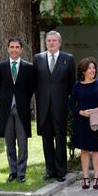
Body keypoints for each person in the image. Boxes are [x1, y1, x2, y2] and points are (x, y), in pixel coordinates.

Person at [34, 30, 76, 182]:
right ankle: (50, 169)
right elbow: (35, 83)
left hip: (61, 107)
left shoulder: (68, 59)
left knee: (60, 140)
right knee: (46, 140)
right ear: (46, 43)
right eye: (48, 41)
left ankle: (61, 171)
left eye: (54, 40)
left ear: (59, 43)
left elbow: (72, 84)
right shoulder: (38, 59)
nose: (51, 43)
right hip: (43, 108)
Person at [0, 38, 35, 183]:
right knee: (10, 143)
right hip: (6, 110)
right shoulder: (1, 66)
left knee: (22, 143)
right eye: (11, 47)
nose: (14, 49)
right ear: (7, 48)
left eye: (17, 47)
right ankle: (12, 171)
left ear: (21, 49)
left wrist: (22, 101)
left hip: (22, 110)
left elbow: (31, 87)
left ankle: (21, 173)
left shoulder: (28, 67)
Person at [69, 58, 98, 190]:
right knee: (84, 150)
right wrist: (81, 112)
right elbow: (71, 105)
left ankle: (96, 178)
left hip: (96, 123)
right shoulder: (77, 86)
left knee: (96, 149)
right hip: (81, 122)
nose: (92, 70)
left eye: (93, 68)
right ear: (83, 71)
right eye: (90, 68)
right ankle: (86, 178)